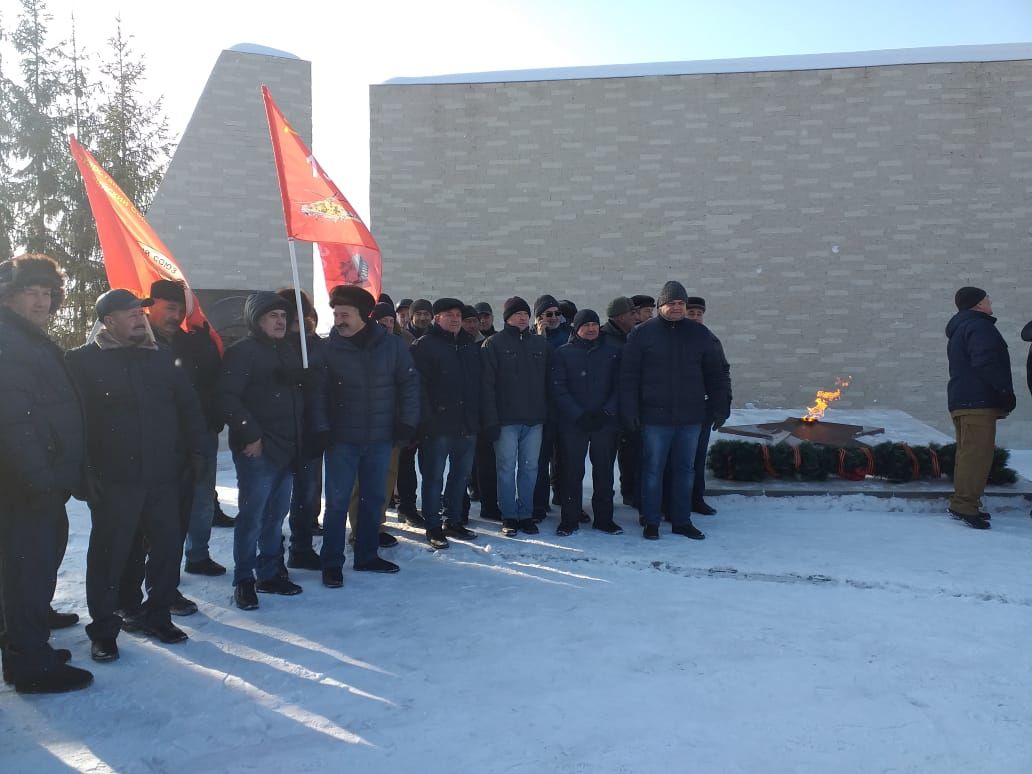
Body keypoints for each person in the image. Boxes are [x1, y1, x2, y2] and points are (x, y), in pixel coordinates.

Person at [66, 289, 204, 659]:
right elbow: (74, 423)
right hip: (114, 479)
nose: (140, 318)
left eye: (141, 312)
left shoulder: (160, 357)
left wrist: (197, 454)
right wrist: (83, 473)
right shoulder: (82, 361)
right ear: (109, 321)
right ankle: (104, 630)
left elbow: (188, 407)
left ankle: (157, 615)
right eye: (130, 314)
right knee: (109, 556)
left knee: (165, 550)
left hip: (163, 475)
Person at [0, 254, 93, 693]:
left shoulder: (29, 338)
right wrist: (41, 478)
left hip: (38, 481)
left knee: (32, 567)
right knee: (26, 572)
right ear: (9, 296)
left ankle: (27, 643)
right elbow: (13, 419)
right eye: (30, 292)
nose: (41, 302)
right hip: (24, 485)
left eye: (46, 293)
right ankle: (29, 664)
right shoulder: (10, 342)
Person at [316, 286, 420, 582]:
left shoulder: (391, 347)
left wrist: (407, 423)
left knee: (373, 499)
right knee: (336, 503)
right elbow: (317, 394)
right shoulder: (328, 349)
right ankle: (331, 563)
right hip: (341, 440)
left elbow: (409, 385)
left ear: (363, 316)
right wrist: (322, 428)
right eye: (336, 314)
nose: (339, 320)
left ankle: (367, 555)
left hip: (380, 438)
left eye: (345, 315)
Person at [620, 281, 731, 541]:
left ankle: (681, 520)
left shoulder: (700, 334)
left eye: (682, 303)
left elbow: (715, 374)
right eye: (673, 303)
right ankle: (651, 520)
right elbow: (628, 377)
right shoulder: (642, 334)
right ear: (661, 306)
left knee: (685, 470)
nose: (678, 307)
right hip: (654, 417)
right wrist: (630, 411)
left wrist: (720, 405)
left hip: (691, 417)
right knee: (653, 469)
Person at [219, 292, 308, 610]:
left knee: (275, 516)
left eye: (283, 316)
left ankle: (269, 572)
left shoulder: (288, 350)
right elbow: (228, 398)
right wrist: (251, 434)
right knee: (253, 517)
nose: (281, 321)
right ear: (256, 320)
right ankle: (244, 579)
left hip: (287, 447)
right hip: (258, 450)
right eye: (273, 316)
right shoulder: (242, 353)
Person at [146, 279, 226, 609]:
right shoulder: (137, 343)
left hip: (195, 438)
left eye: (179, 309)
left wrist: (206, 346)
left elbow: (209, 382)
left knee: (195, 504)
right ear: (151, 307)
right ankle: (145, 592)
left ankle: (187, 566)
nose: (174, 315)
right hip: (154, 444)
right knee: (157, 522)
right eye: (168, 308)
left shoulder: (190, 342)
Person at [410, 298, 481, 548]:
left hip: (466, 424)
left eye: (458, 315)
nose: (455, 319)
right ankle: (433, 526)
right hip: (437, 426)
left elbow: (478, 386)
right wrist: (427, 422)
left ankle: (454, 520)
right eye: (448, 314)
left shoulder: (469, 346)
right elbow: (418, 389)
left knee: (460, 476)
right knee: (433, 478)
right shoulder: (424, 346)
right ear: (436, 318)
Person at [945, 287, 1015, 530]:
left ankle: (963, 503)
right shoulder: (980, 326)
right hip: (977, 401)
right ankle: (964, 506)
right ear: (977, 304)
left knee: (967, 455)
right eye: (987, 299)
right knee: (977, 456)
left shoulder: (960, 328)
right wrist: (1003, 392)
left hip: (962, 400)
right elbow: (985, 361)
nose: (990, 301)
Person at [481, 296, 551, 536]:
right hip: (506, 420)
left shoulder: (540, 344)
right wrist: (490, 420)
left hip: (534, 419)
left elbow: (548, 383)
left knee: (530, 469)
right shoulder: (494, 344)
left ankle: (526, 514)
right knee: (506, 468)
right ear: (507, 317)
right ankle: (509, 515)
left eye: (525, 313)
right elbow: (486, 386)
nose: (522, 317)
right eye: (517, 313)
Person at [551, 309, 623, 536]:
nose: (591, 329)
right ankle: (569, 519)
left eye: (594, 324)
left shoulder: (612, 353)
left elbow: (620, 386)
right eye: (586, 325)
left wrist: (606, 412)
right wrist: (577, 414)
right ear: (576, 328)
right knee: (572, 472)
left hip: (604, 423)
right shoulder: (563, 353)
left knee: (604, 472)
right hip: (574, 424)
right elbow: (558, 388)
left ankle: (604, 518)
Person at [277, 288, 326, 571]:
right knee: (274, 501)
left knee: (307, 496)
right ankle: (270, 555)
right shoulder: (271, 345)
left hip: (309, 430)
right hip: (278, 434)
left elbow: (326, 383)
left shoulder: (314, 345)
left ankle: (302, 547)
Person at [682, 296, 731, 516]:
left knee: (698, 457)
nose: (694, 317)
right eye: (690, 313)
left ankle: (695, 498)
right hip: (677, 409)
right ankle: (675, 500)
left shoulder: (711, 340)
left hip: (703, 409)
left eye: (698, 314)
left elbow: (722, 374)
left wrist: (722, 405)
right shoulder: (674, 337)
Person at [601, 296, 641, 509]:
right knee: (605, 462)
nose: (636, 317)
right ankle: (605, 503)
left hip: (630, 408)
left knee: (631, 455)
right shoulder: (602, 338)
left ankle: (631, 493)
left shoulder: (634, 336)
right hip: (608, 411)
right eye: (632, 313)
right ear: (619, 316)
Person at [532, 294, 570, 520]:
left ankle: (565, 499)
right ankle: (539, 504)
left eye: (557, 313)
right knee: (540, 459)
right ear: (539, 318)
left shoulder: (568, 335)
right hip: (541, 407)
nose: (554, 317)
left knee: (565, 459)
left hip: (564, 406)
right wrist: (540, 337)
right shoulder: (530, 338)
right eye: (548, 314)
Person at [396, 298, 433, 526]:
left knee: (429, 463)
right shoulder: (405, 340)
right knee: (406, 463)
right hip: (408, 409)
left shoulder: (435, 339)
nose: (422, 317)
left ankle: (427, 503)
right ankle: (406, 506)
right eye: (418, 313)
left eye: (426, 313)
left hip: (430, 410)